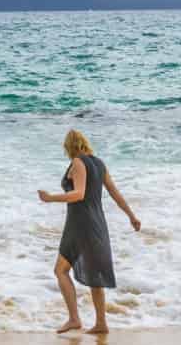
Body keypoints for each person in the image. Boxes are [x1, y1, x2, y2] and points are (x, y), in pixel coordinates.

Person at [37, 128, 140, 334]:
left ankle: (74, 319)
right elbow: (115, 193)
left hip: (80, 223)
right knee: (95, 276)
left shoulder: (77, 162)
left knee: (60, 270)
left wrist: (50, 198)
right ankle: (101, 323)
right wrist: (131, 216)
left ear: (69, 146)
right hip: (97, 223)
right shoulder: (100, 164)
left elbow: (78, 194)